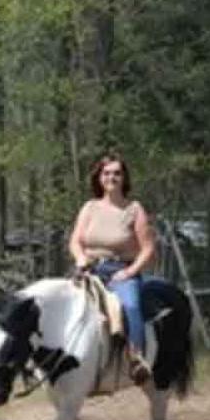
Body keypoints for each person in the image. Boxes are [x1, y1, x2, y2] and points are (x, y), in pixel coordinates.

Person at [68, 152, 156, 383]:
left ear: (124, 178)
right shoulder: (89, 208)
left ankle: (137, 358)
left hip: (120, 270)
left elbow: (147, 248)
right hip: (90, 269)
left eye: (117, 173)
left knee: (131, 305)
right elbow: (75, 240)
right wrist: (79, 258)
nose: (111, 177)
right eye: (106, 173)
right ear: (99, 178)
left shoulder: (134, 209)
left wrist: (129, 272)